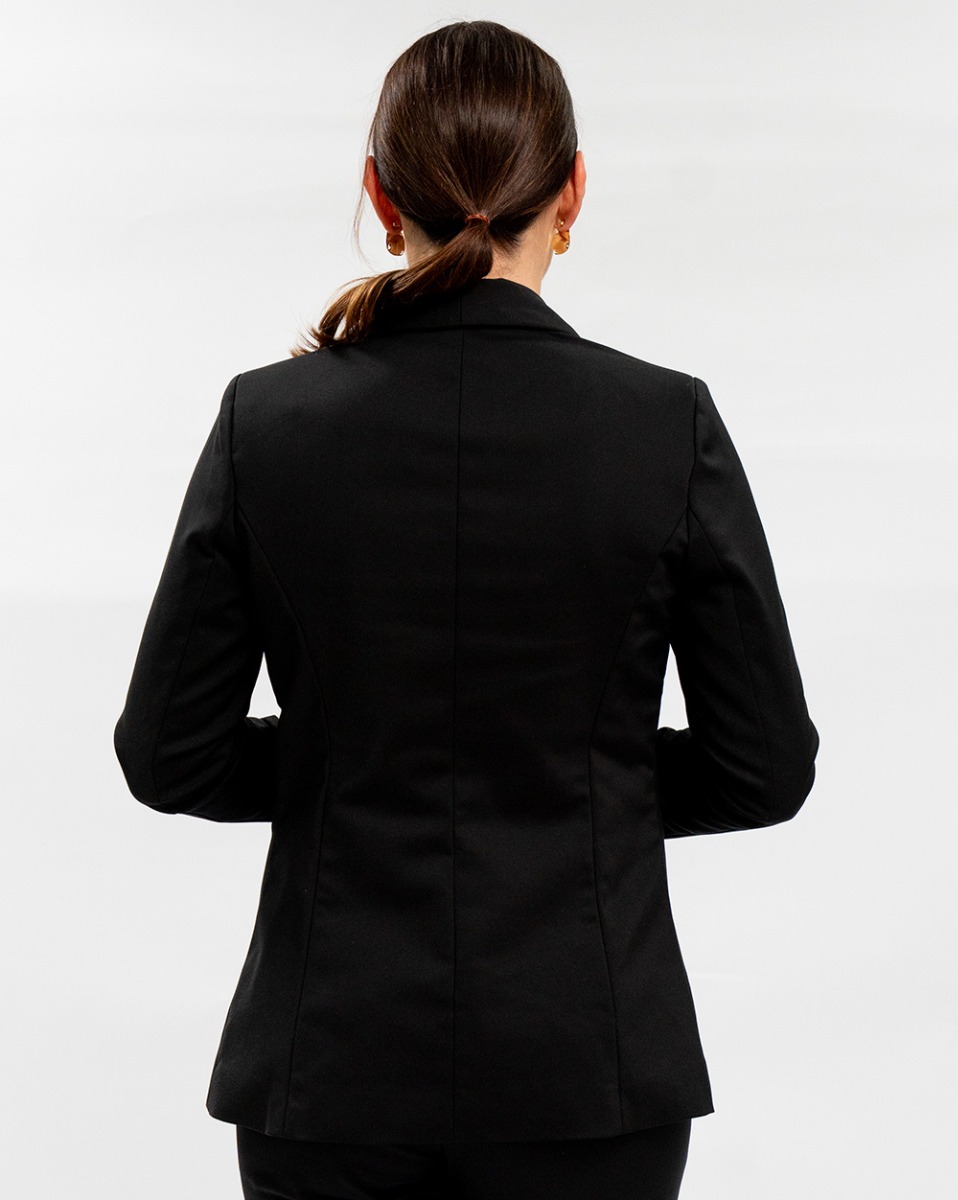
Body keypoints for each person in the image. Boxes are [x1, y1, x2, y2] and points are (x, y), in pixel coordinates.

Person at [113, 18, 819, 1200]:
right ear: (572, 192)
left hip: (328, 1066)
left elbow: (168, 755)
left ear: (380, 196)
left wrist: (358, 765)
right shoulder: (667, 425)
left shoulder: (266, 425)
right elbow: (764, 770)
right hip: (589, 1070)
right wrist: (572, 779)